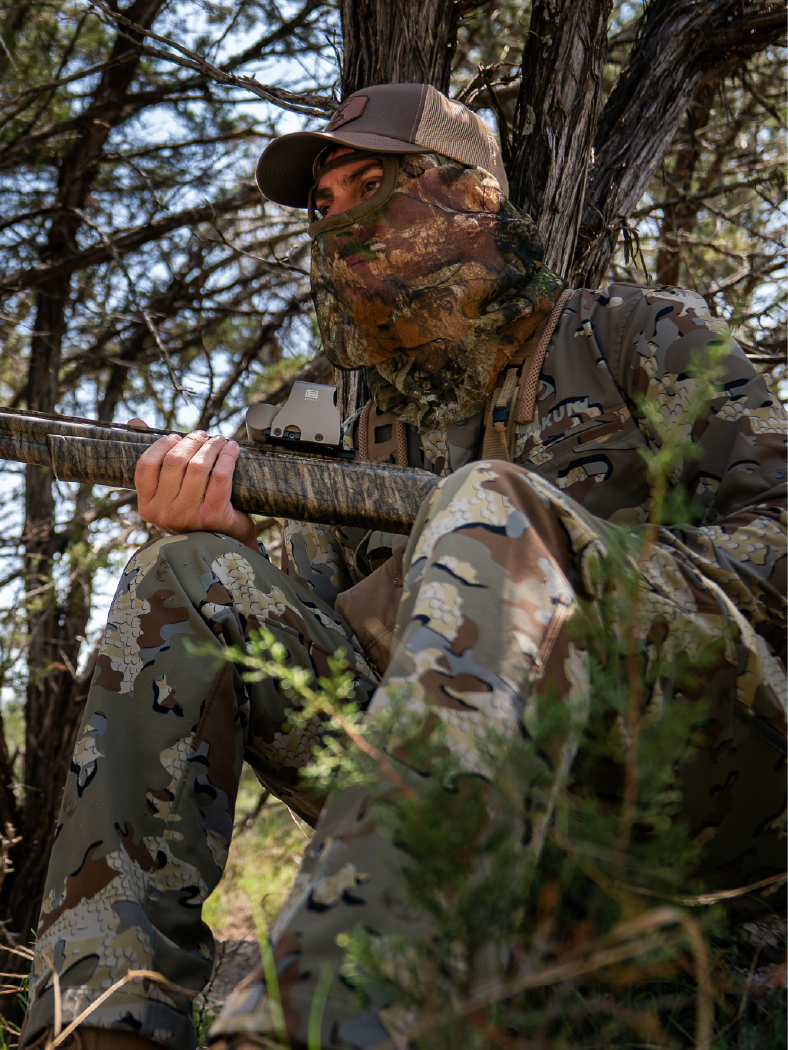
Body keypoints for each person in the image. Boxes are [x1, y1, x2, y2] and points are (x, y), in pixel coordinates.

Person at [20, 83, 788, 1050]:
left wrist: (553, 563)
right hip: (465, 825)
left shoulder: (634, 333)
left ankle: (332, 1011)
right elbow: (303, 645)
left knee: (489, 504)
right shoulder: (304, 420)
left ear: (472, 195)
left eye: (371, 184)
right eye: (324, 204)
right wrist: (231, 544)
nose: (340, 222)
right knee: (184, 576)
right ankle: (100, 1025)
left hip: (687, 777)